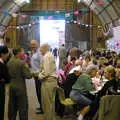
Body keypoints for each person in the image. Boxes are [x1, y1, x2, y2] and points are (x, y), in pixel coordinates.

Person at [7, 47, 32, 120]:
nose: (24, 53)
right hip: (20, 88)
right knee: (23, 107)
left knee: (12, 107)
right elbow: (28, 75)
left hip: (11, 87)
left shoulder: (9, 62)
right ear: (18, 53)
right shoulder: (22, 63)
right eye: (23, 52)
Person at [37, 43, 58, 120]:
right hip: (52, 82)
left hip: (48, 82)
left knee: (47, 104)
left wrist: (39, 76)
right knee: (51, 102)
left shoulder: (46, 57)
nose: (40, 52)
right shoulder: (50, 55)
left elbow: (46, 72)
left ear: (44, 49)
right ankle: (52, 118)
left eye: (41, 50)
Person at [30, 40, 43, 114]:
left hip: (39, 76)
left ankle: (43, 108)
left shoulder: (39, 53)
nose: (32, 46)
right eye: (31, 44)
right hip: (35, 75)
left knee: (39, 92)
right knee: (38, 92)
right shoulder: (34, 52)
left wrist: (38, 74)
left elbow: (41, 65)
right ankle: (41, 106)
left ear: (37, 44)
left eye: (34, 44)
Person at [0, 46, 10, 120]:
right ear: (2, 54)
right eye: (7, 54)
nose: (7, 56)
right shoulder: (2, 65)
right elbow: (7, 79)